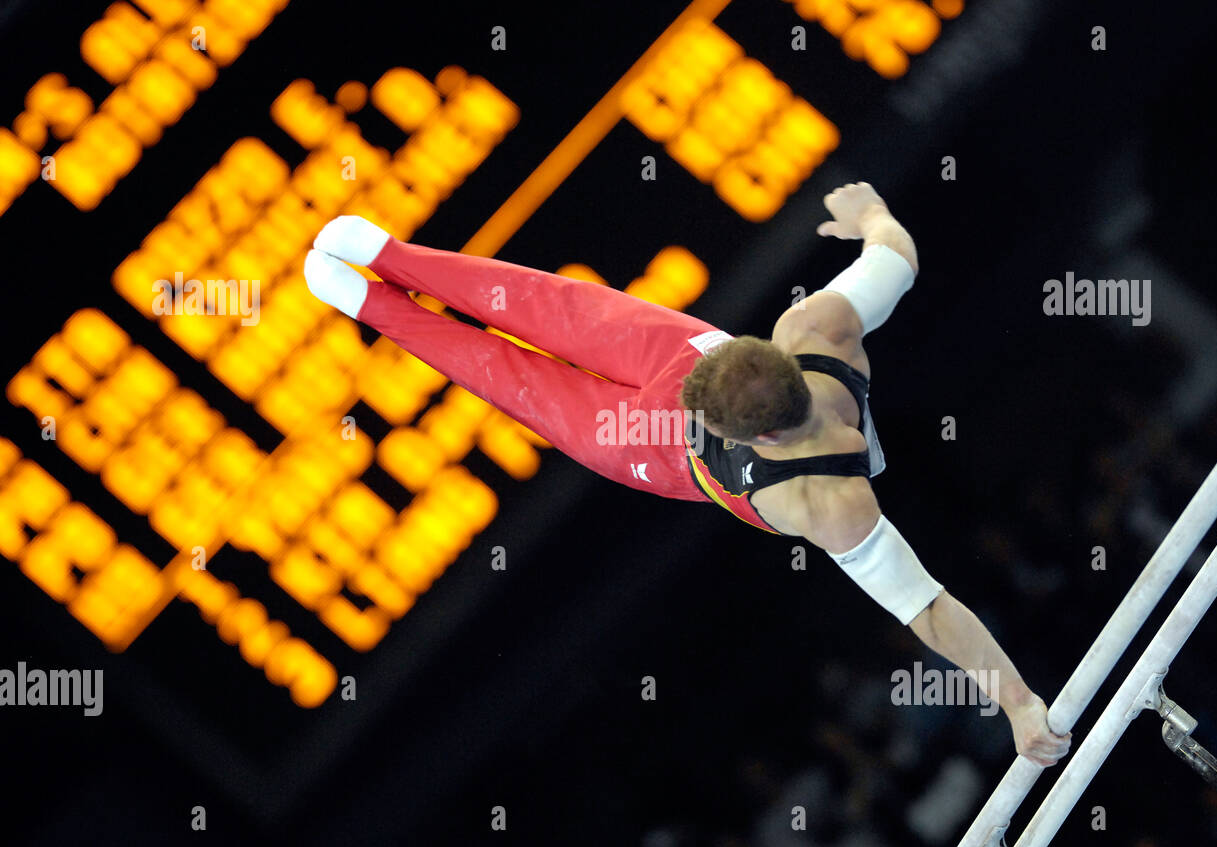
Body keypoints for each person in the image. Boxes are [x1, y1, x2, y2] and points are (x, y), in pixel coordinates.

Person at [303, 182, 1071, 767]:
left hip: (659, 446)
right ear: (769, 350)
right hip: (687, 353)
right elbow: (896, 255)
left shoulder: (828, 500)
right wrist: (870, 217)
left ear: (757, 434)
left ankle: (375, 302)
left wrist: (1017, 701)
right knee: (545, 304)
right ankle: (388, 256)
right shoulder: (816, 330)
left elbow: (928, 607)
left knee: (513, 378)